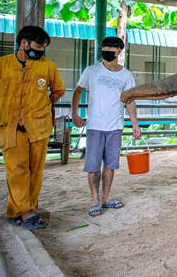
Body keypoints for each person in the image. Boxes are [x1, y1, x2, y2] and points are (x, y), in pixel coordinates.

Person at [0, 25, 66, 229]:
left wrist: (42, 105)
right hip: (9, 126)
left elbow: (58, 90)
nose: (41, 50)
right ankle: (26, 212)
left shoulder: (47, 66)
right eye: (38, 46)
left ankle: (19, 210)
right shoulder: (0, 65)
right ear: (23, 43)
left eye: (44, 47)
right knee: (16, 170)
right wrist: (7, 106)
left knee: (36, 170)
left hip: (39, 127)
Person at [71, 36, 141, 217]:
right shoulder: (92, 70)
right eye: (105, 46)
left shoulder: (126, 74)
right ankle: (95, 200)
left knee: (110, 165)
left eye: (112, 47)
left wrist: (135, 124)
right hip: (95, 125)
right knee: (93, 165)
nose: (108, 49)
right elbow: (78, 91)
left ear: (119, 51)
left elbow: (130, 100)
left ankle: (105, 198)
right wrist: (75, 113)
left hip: (115, 126)